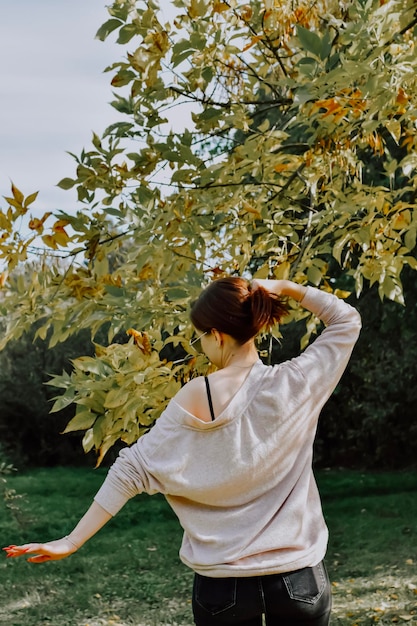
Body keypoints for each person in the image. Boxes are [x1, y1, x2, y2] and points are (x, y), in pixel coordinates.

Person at [3, 278, 361, 626]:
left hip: (224, 588)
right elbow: (346, 319)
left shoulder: (197, 395)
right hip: (299, 580)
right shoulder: (296, 382)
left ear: (217, 335)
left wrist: (71, 540)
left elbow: (131, 470)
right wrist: (287, 288)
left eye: (201, 336)